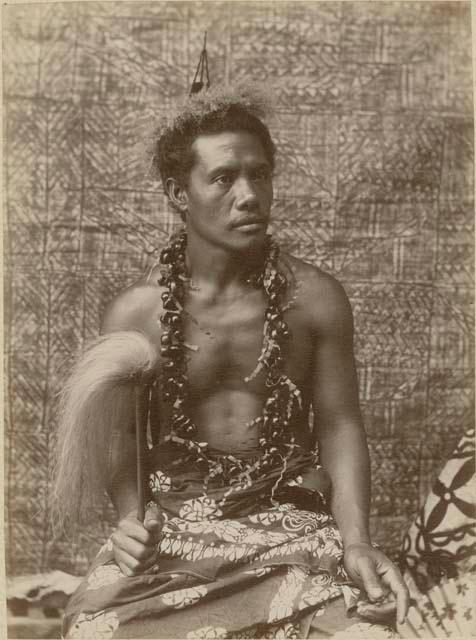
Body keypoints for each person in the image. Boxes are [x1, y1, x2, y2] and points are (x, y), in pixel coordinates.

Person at [54, 82, 409, 639]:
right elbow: (120, 438)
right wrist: (130, 520)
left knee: (368, 634)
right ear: (178, 193)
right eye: (223, 177)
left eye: (260, 174)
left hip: (293, 530)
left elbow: (340, 425)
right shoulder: (136, 313)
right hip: (175, 532)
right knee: (94, 630)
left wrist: (357, 540)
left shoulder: (315, 298)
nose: (249, 194)